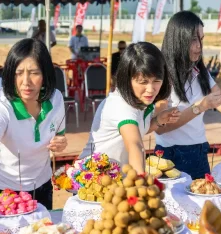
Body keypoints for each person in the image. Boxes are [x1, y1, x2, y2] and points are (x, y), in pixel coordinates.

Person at [155, 11, 221, 180]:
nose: (199, 45)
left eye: (201, 39)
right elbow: (160, 127)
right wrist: (200, 106)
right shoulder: (161, 74)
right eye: (193, 39)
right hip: (170, 155)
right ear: (178, 39)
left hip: (199, 153)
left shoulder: (199, 72)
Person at [80, 42, 180, 174]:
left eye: (156, 81)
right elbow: (135, 144)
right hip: (93, 180)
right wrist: (141, 183)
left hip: (116, 178)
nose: (150, 89)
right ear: (127, 79)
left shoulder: (141, 100)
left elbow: (138, 129)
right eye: (143, 82)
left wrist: (158, 120)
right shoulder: (121, 105)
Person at [0, 38, 67, 209]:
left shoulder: (56, 99)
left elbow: (60, 136)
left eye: (34, 73)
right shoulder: (4, 105)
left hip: (42, 186)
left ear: (45, 74)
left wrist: (60, 143)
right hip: (7, 193)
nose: (25, 81)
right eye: (18, 72)